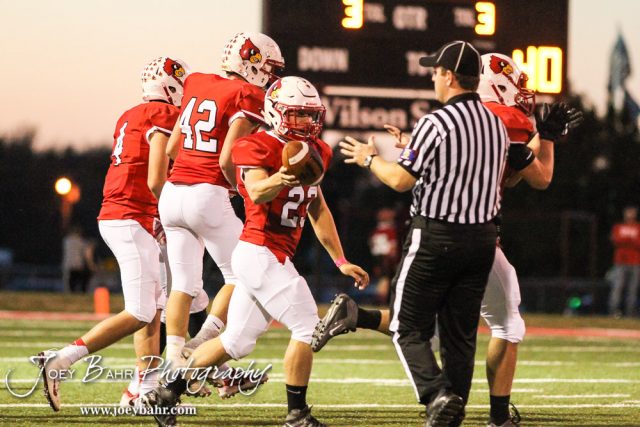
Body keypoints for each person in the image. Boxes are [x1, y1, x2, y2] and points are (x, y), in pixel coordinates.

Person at [314, 52, 583, 427]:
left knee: (416, 327)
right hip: (482, 239)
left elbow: (405, 178)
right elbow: (530, 176)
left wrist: (369, 158)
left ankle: (440, 397)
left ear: (449, 76)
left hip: (437, 233)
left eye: (437, 72)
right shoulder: (497, 124)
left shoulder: (441, 122)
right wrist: (546, 138)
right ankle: (482, 413)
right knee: (465, 334)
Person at [142, 76, 369, 427]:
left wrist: (340, 260)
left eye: (311, 115)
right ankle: (297, 414)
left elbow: (317, 207)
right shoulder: (255, 145)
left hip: (271, 256)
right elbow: (256, 190)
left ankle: (166, 391)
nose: (307, 122)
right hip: (260, 251)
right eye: (297, 114)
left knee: (236, 342)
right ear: (276, 112)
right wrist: (281, 177)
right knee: (307, 326)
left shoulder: (316, 151)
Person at [39, 56, 190, 412]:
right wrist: (171, 211)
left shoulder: (130, 114)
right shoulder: (163, 114)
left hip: (124, 213)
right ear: (170, 86)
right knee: (140, 311)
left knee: (153, 306)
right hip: (131, 215)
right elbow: (156, 175)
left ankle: (142, 388)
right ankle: (61, 360)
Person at [158, 32, 285, 372]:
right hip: (207, 193)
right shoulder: (248, 94)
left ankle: (173, 357)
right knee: (242, 275)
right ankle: (202, 344)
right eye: (269, 67)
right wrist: (240, 189)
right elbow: (229, 157)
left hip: (172, 193)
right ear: (252, 62)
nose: (270, 76)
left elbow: (172, 149)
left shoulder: (196, 82)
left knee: (182, 284)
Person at [608, 205, 640, 317]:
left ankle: (630, 313)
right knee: (617, 287)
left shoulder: (638, 227)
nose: (630, 214)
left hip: (636, 262)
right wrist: (631, 240)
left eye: (632, 212)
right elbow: (616, 240)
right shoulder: (618, 227)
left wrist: (625, 241)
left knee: (633, 289)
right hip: (620, 261)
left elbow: (638, 243)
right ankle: (613, 311)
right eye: (628, 212)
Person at [61, 225, 96, 293]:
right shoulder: (81, 242)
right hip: (78, 266)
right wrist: (91, 266)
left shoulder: (66, 241)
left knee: (69, 287)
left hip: (68, 265)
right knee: (80, 285)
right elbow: (87, 254)